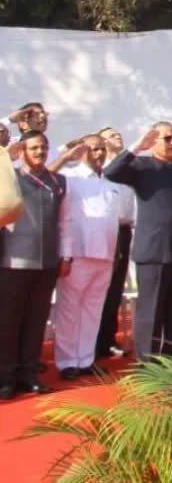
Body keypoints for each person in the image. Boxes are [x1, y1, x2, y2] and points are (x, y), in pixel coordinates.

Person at [103, 122, 172, 360]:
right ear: (154, 142)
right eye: (166, 138)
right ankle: (146, 363)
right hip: (154, 249)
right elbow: (111, 172)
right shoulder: (141, 166)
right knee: (151, 310)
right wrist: (137, 147)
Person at [0, 130, 68, 397]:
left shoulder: (56, 181)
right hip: (14, 260)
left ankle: (29, 373)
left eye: (43, 147)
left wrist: (64, 254)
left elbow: (64, 223)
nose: (40, 152)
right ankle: (5, 378)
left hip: (47, 262)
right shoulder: (11, 177)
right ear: (23, 151)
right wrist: (7, 156)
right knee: (8, 322)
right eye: (33, 148)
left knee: (36, 320)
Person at [53, 134, 127, 380]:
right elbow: (45, 176)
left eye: (101, 149)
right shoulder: (70, 177)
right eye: (94, 149)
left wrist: (115, 252)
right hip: (77, 253)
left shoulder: (109, 182)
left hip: (104, 255)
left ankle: (85, 358)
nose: (99, 154)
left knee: (93, 310)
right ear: (84, 150)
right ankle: (67, 362)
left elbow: (114, 222)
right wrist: (66, 153)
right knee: (69, 309)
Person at [93, 126, 134, 359]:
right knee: (102, 289)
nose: (117, 136)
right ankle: (96, 341)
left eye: (118, 133)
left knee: (116, 289)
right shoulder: (104, 170)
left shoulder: (128, 168)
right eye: (110, 135)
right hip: (107, 230)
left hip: (126, 230)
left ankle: (109, 338)